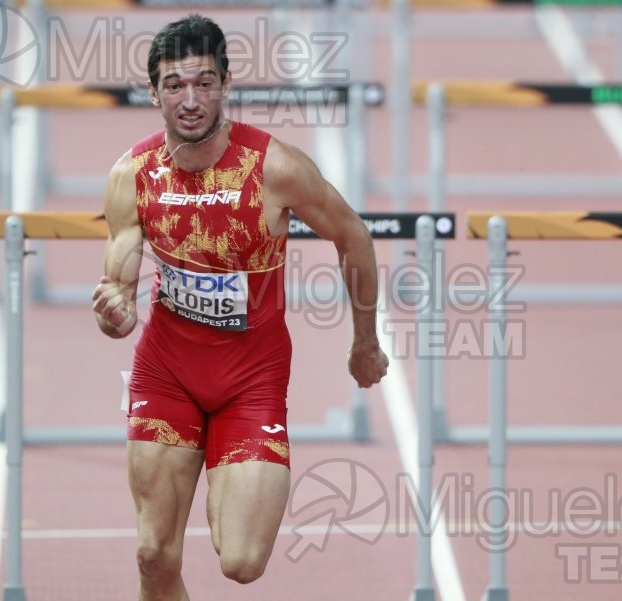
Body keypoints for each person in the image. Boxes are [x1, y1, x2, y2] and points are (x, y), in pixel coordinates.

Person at [90, 14, 389, 601]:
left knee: (243, 562)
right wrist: (113, 310)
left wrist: (364, 342)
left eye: (204, 82)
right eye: (175, 86)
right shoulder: (133, 175)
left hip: (251, 378)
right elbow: (118, 286)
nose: (191, 100)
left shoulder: (275, 168)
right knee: (154, 555)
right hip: (166, 371)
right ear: (153, 93)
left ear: (226, 84)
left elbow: (353, 236)